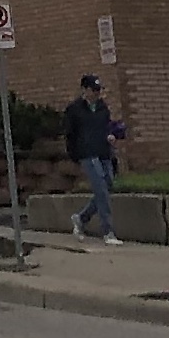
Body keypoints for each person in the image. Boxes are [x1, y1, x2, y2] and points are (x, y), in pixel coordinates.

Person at [63, 74, 127, 243]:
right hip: (87, 153)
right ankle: (108, 232)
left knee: (107, 185)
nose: (97, 94)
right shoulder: (74, 109)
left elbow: (106, 127)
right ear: (84, 90)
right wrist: (74, 155)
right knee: (100, 188)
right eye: (93, 90)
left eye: (98, 90)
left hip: (104, 151)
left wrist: (111, 136)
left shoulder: (102, 108)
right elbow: (70, 134)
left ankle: (81, 218)